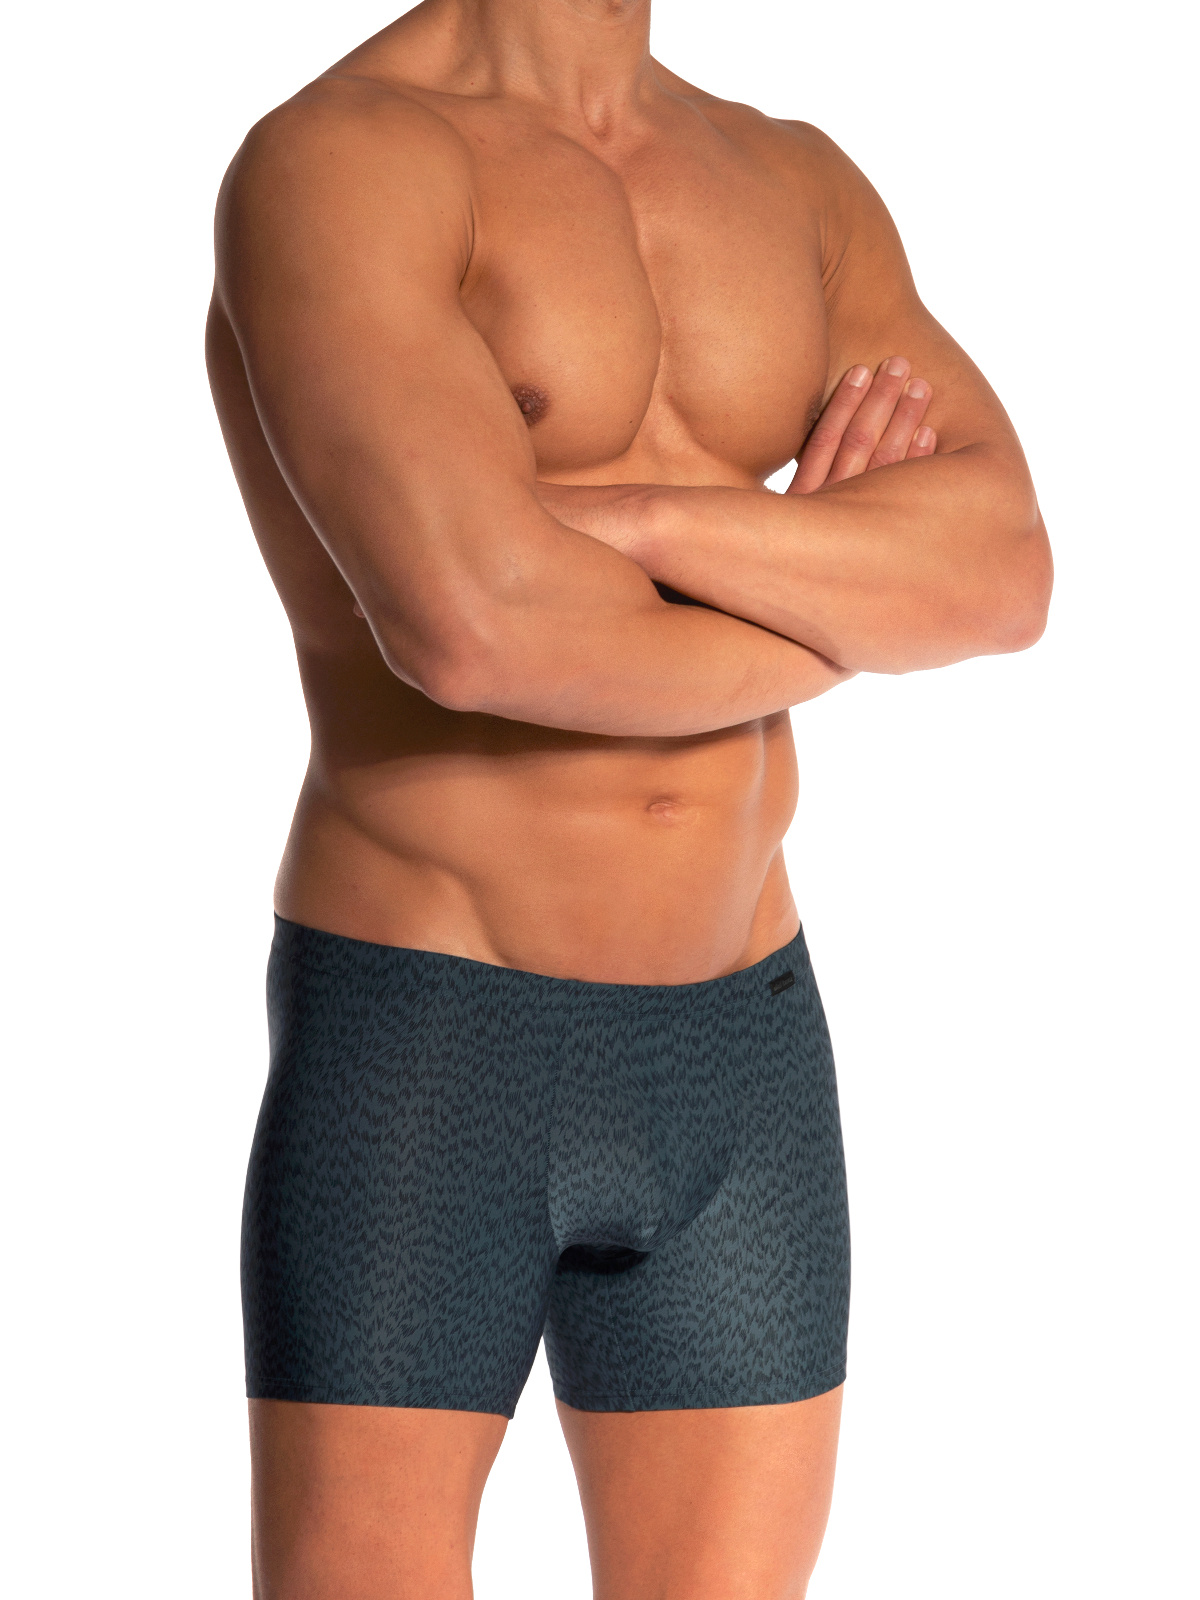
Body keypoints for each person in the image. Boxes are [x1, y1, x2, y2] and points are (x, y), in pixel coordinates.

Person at [206, 0, 1051, 1592]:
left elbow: (1004, 569)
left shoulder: (795, 180)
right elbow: (474, 629)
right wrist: (846, 605)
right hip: (437, 1038)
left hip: (743, 1044)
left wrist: (649, 522)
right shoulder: (344, 161)